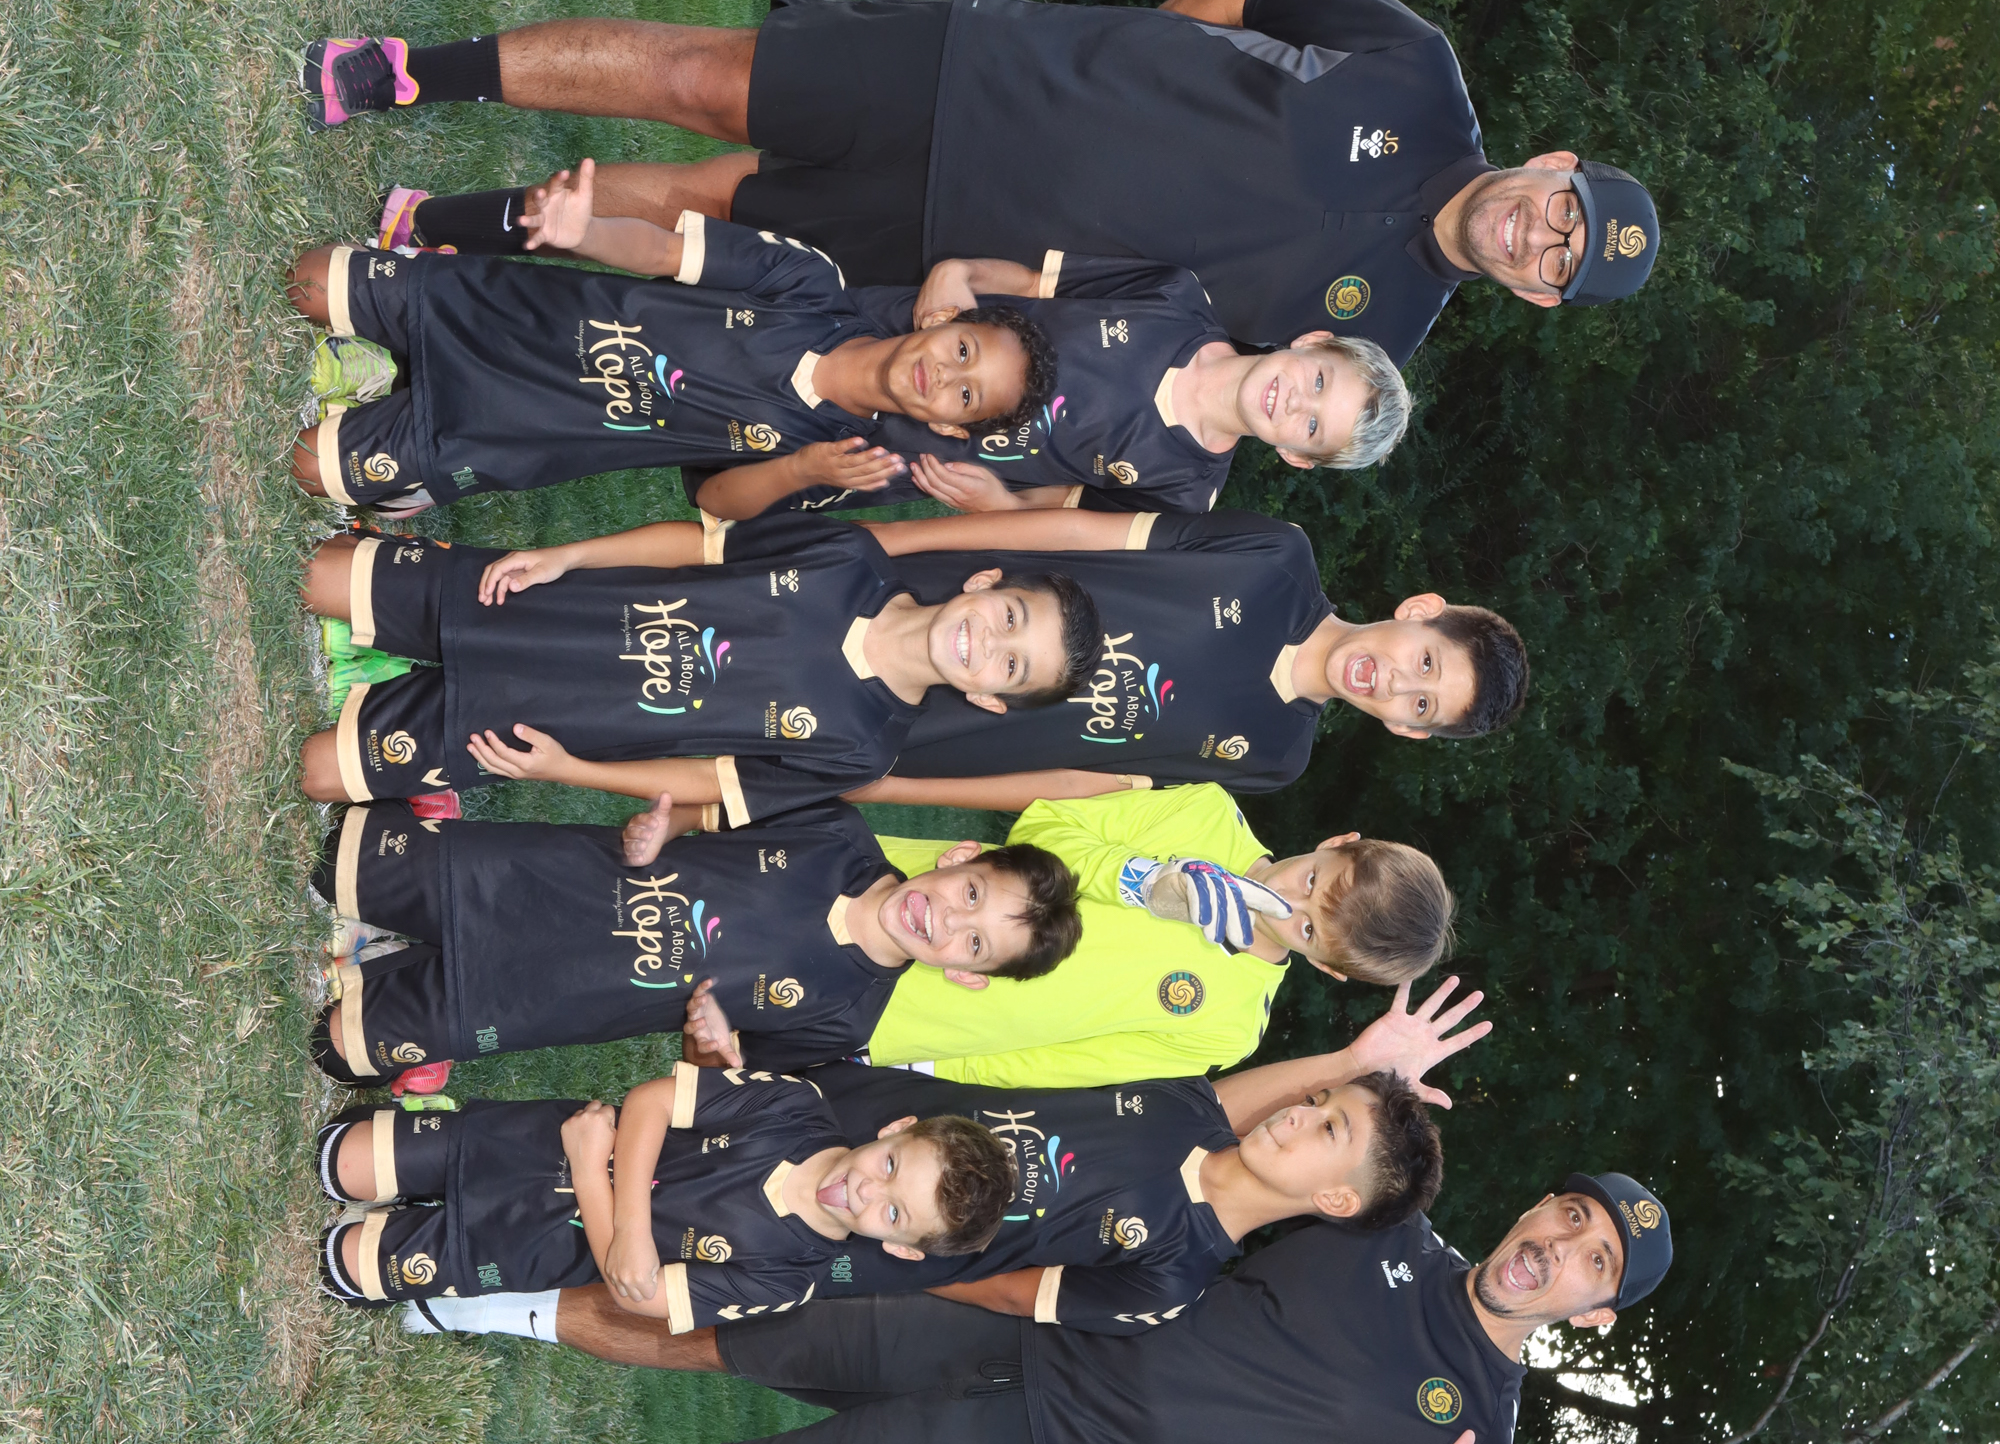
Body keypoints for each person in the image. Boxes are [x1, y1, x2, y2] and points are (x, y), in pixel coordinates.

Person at [342, 1172, 1674, 1444]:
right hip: (1019, 1318)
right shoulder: (1388, 1218)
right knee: (723, 1325)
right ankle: (465, 1300)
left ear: (1593, 1311)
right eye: (1569, 1214)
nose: (1558, 1246)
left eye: (1592, 1261)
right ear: (1538, 1203)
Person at [296, 0, 1663, 357]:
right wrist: (1118, 65)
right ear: (1554, 161)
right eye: (1566, 210)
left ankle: (433, 226)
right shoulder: (1416, 68)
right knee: (705, 81)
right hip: (983, 79)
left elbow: (1182, 361)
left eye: (1561, 261)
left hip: (961, 251)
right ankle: (411, 71)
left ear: (1539, 295)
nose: (1541, 234)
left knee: (706, 216)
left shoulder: (1375, 338)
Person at [349, 168, 1411, 517]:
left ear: (1298, 456)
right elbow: (1034, 282)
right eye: (1315, 381)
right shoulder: (1176, 299)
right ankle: (457, 313)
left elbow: (1060, 514)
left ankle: (458, 441)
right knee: (716, 324)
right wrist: (962, 273)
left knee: (716, 434)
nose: (1295, 401)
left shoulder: (1186, 488)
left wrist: (997, 505)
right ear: (1307, 342)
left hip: (901, 445)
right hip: (899, 339)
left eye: (1312, 425)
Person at [307, 777, 1460, 1088]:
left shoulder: (1226, 1026)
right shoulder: (1205, 819)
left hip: (902, 1009)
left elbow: (1063, 1065)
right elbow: (1045, 828)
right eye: (1313, 878)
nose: (1288, 898)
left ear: (1324, 966)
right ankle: (423, 912)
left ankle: (429, 991)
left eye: (1310, 925)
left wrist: (925, 1060)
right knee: (654, 900)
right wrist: (1151, 879)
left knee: (647, 979)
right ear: (1334, 841)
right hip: (894, 900)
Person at [316, 1050, 1437, 1331]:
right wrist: (1359, 1054)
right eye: (1317, 1101)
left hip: (871, 1237)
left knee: (668, 1238)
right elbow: (1234, 1099)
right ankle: (422, 1168)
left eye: (1326, 1130)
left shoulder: (1176, 1277)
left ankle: (430, 1255)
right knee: (363, 1156)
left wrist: (907, 1253)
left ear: (1337, 1201)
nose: (1298, 1116)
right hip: (871, 1146)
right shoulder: (1185, 1110)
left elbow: (1008, 1292)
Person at [294, 512, 1100, 816]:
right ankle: (379, 648)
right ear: (984, 582)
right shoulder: (849, 557)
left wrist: (569, 770)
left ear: (989, 700)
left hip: (540, 724)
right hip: (536, 609)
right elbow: (700, 546)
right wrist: (565, 556)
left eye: (1011, 667)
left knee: (316, 773)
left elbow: (708, 782)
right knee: (314, 576)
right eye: (1010, 618)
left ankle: (383, 698)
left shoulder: (865, 749)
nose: (989, 644)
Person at [287, 199, 1061, 515]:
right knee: (309, 281)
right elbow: (662, 252)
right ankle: (387, 361)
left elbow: (716, 503)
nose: (947, 374)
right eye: (964, 349)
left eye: (966, 396)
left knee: (311, 468)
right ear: (944, 317)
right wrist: (584, 232)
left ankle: (404, 444)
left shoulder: (842, 459)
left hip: (503, 429)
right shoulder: (809, 283)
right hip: (498, 313)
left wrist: (802, 471)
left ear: (950, 429)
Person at [306, 797, 1080, 1086]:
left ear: (967, 977)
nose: (945, 921)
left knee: (336, 1047)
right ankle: (390, 917)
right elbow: (710, 810)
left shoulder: (848, 1017)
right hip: (530, 880)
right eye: (971, 896)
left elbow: (712, 1075)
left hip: (535, 998)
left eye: (973, 945)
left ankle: (388, 970)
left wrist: (711, 1048)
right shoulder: (836, 832)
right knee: (332, 861)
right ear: (959, 857)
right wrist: (664, 826)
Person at [832, 504, 1526, 805]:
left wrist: (891, 787)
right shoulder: (1277, 558)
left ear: (1406, 729)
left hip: (904, 738)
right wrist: (891, 541)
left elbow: (1081, 782)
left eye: (1421, 705)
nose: (1398, 684)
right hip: (903, 604)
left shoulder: (1276, 756)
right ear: (1419, 612)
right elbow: (1078, 532)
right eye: (1426, 662)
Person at [314, 1072, 1012, 1312]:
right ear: (895, 1128)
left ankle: (406, 1227)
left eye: (892, 1211)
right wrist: (629, 1229)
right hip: (527, 1141)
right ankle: (419, 1150)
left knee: (342, 1265)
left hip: (521, 1246)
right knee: (338, 1162)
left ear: (902, 1249)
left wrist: (593, 1178)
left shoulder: (789, 1278)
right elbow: (651, 1101)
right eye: (889, 1165)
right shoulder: (797, 1106)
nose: (863, 1189)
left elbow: (638, 1294)